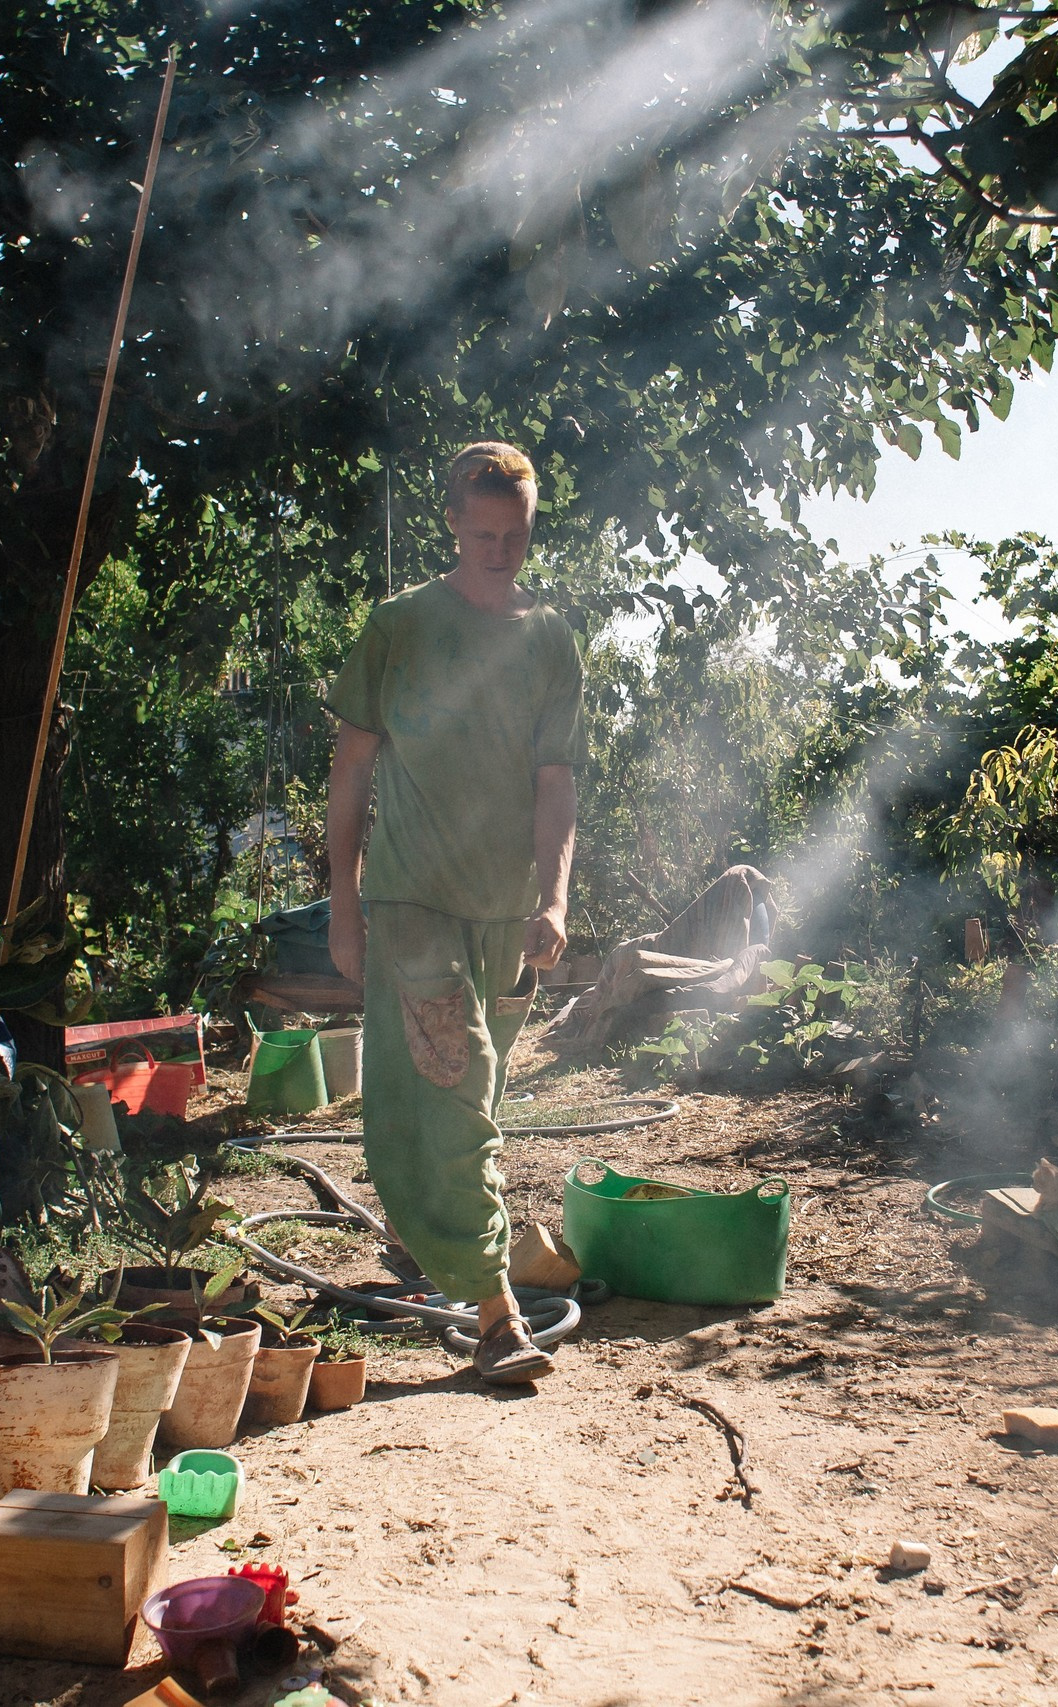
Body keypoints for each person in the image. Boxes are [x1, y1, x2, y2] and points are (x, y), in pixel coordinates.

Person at [324, 440, 583, 1385]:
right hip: (412, 903)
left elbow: (556, 785)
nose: (500, 551)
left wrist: (553, 897)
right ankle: (495, 1315)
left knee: (463, 1101)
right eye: (483, 535)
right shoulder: (397, 626)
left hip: (505, 917)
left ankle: (430, 1225)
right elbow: (351, 772)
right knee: (461, 1096)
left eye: (515, 536)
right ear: (451, 524)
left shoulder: (549, 638)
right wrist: (345, 907)